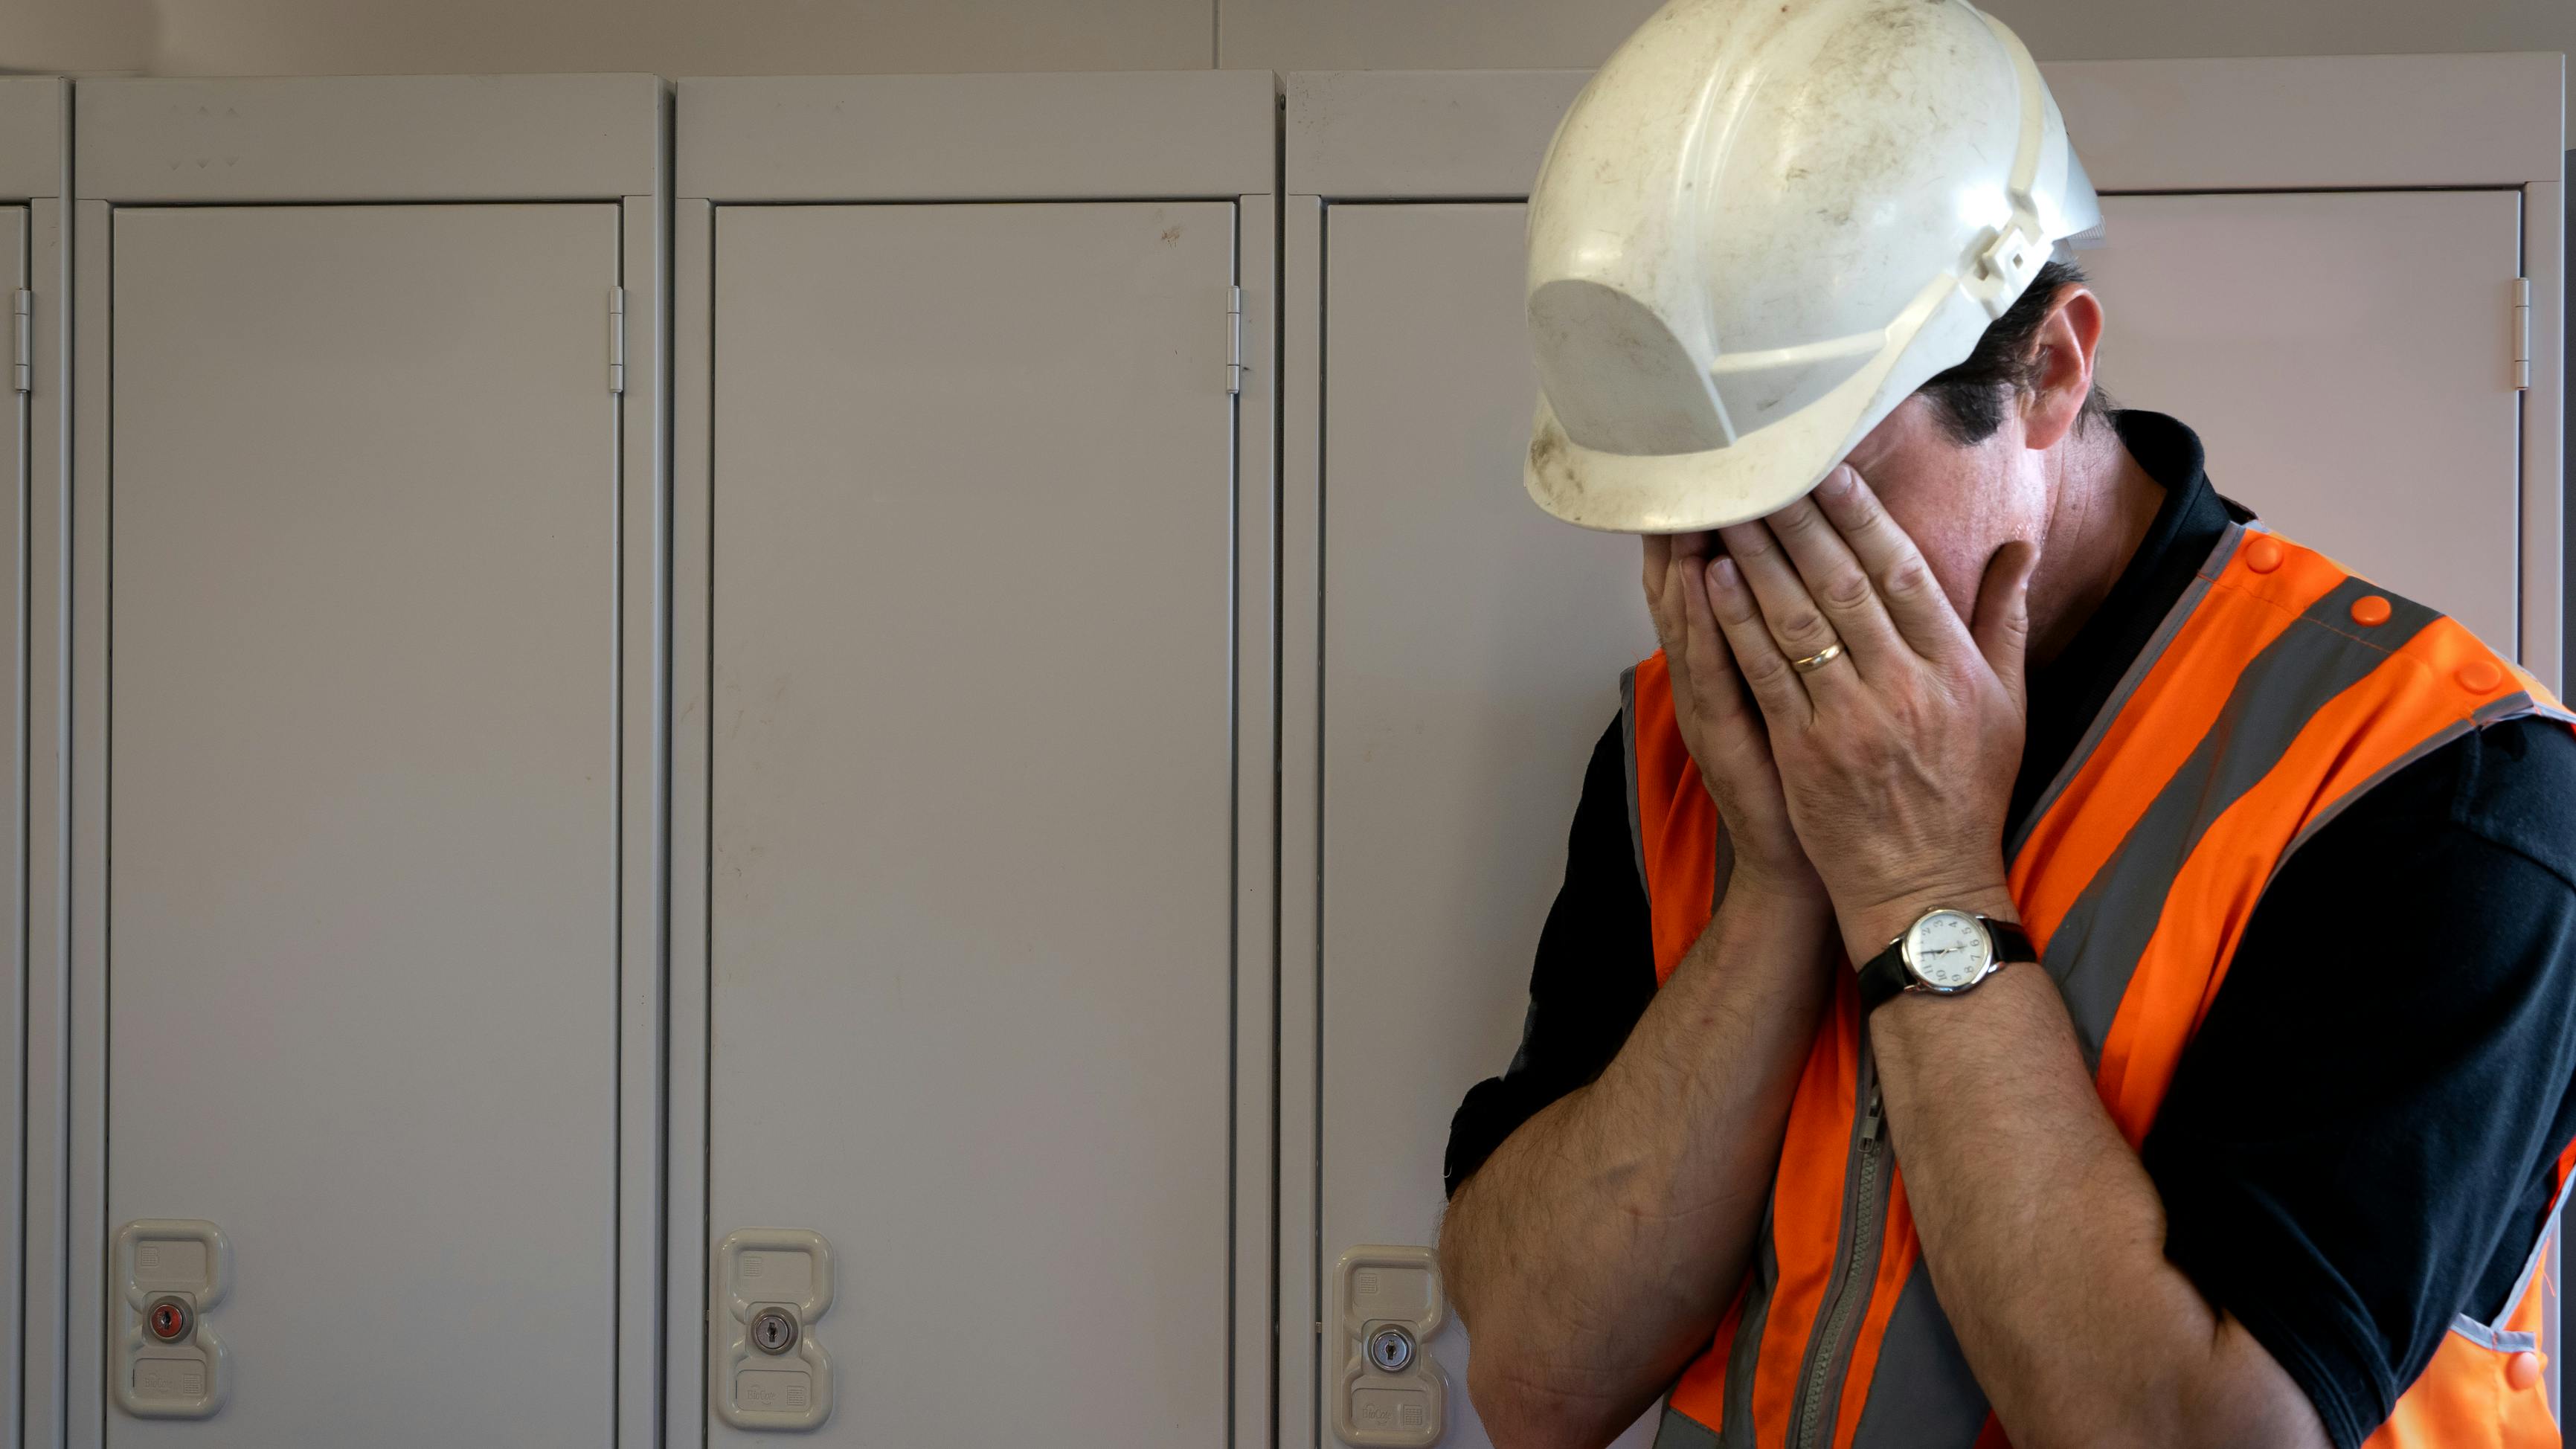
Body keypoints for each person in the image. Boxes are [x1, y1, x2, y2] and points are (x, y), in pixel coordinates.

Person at [1436, 3, 2576, 1448]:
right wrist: (1783, 882)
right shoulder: (1677, 738)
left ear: (2046, 370)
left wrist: (1920, 884)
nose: (1739, 580)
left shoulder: (2426, 776)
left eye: (1812, 490)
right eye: (1683, 519)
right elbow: (1535, 1379)